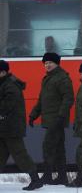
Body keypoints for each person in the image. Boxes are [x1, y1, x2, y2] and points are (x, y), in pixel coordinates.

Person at [29, 52, 74, 185]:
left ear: (57, 63)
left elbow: (68, 98)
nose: (47, 65)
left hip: (56, 120)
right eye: (46, 63)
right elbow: (41, 100)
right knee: (59, 149)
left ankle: (48, 175)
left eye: (50, 63)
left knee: (48, 146)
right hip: (51, 119)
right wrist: (33, 115)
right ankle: (62, 177)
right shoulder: (48, 78)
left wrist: (61, 116)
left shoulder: (62, 78)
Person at [0, 60, 43, 191]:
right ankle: (36, 180)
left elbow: (7, 106)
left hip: (11, 128)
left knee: (20, 155)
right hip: (5, 126)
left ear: (3, 72)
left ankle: (36, 180)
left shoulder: (10, 86)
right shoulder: (5, 83)